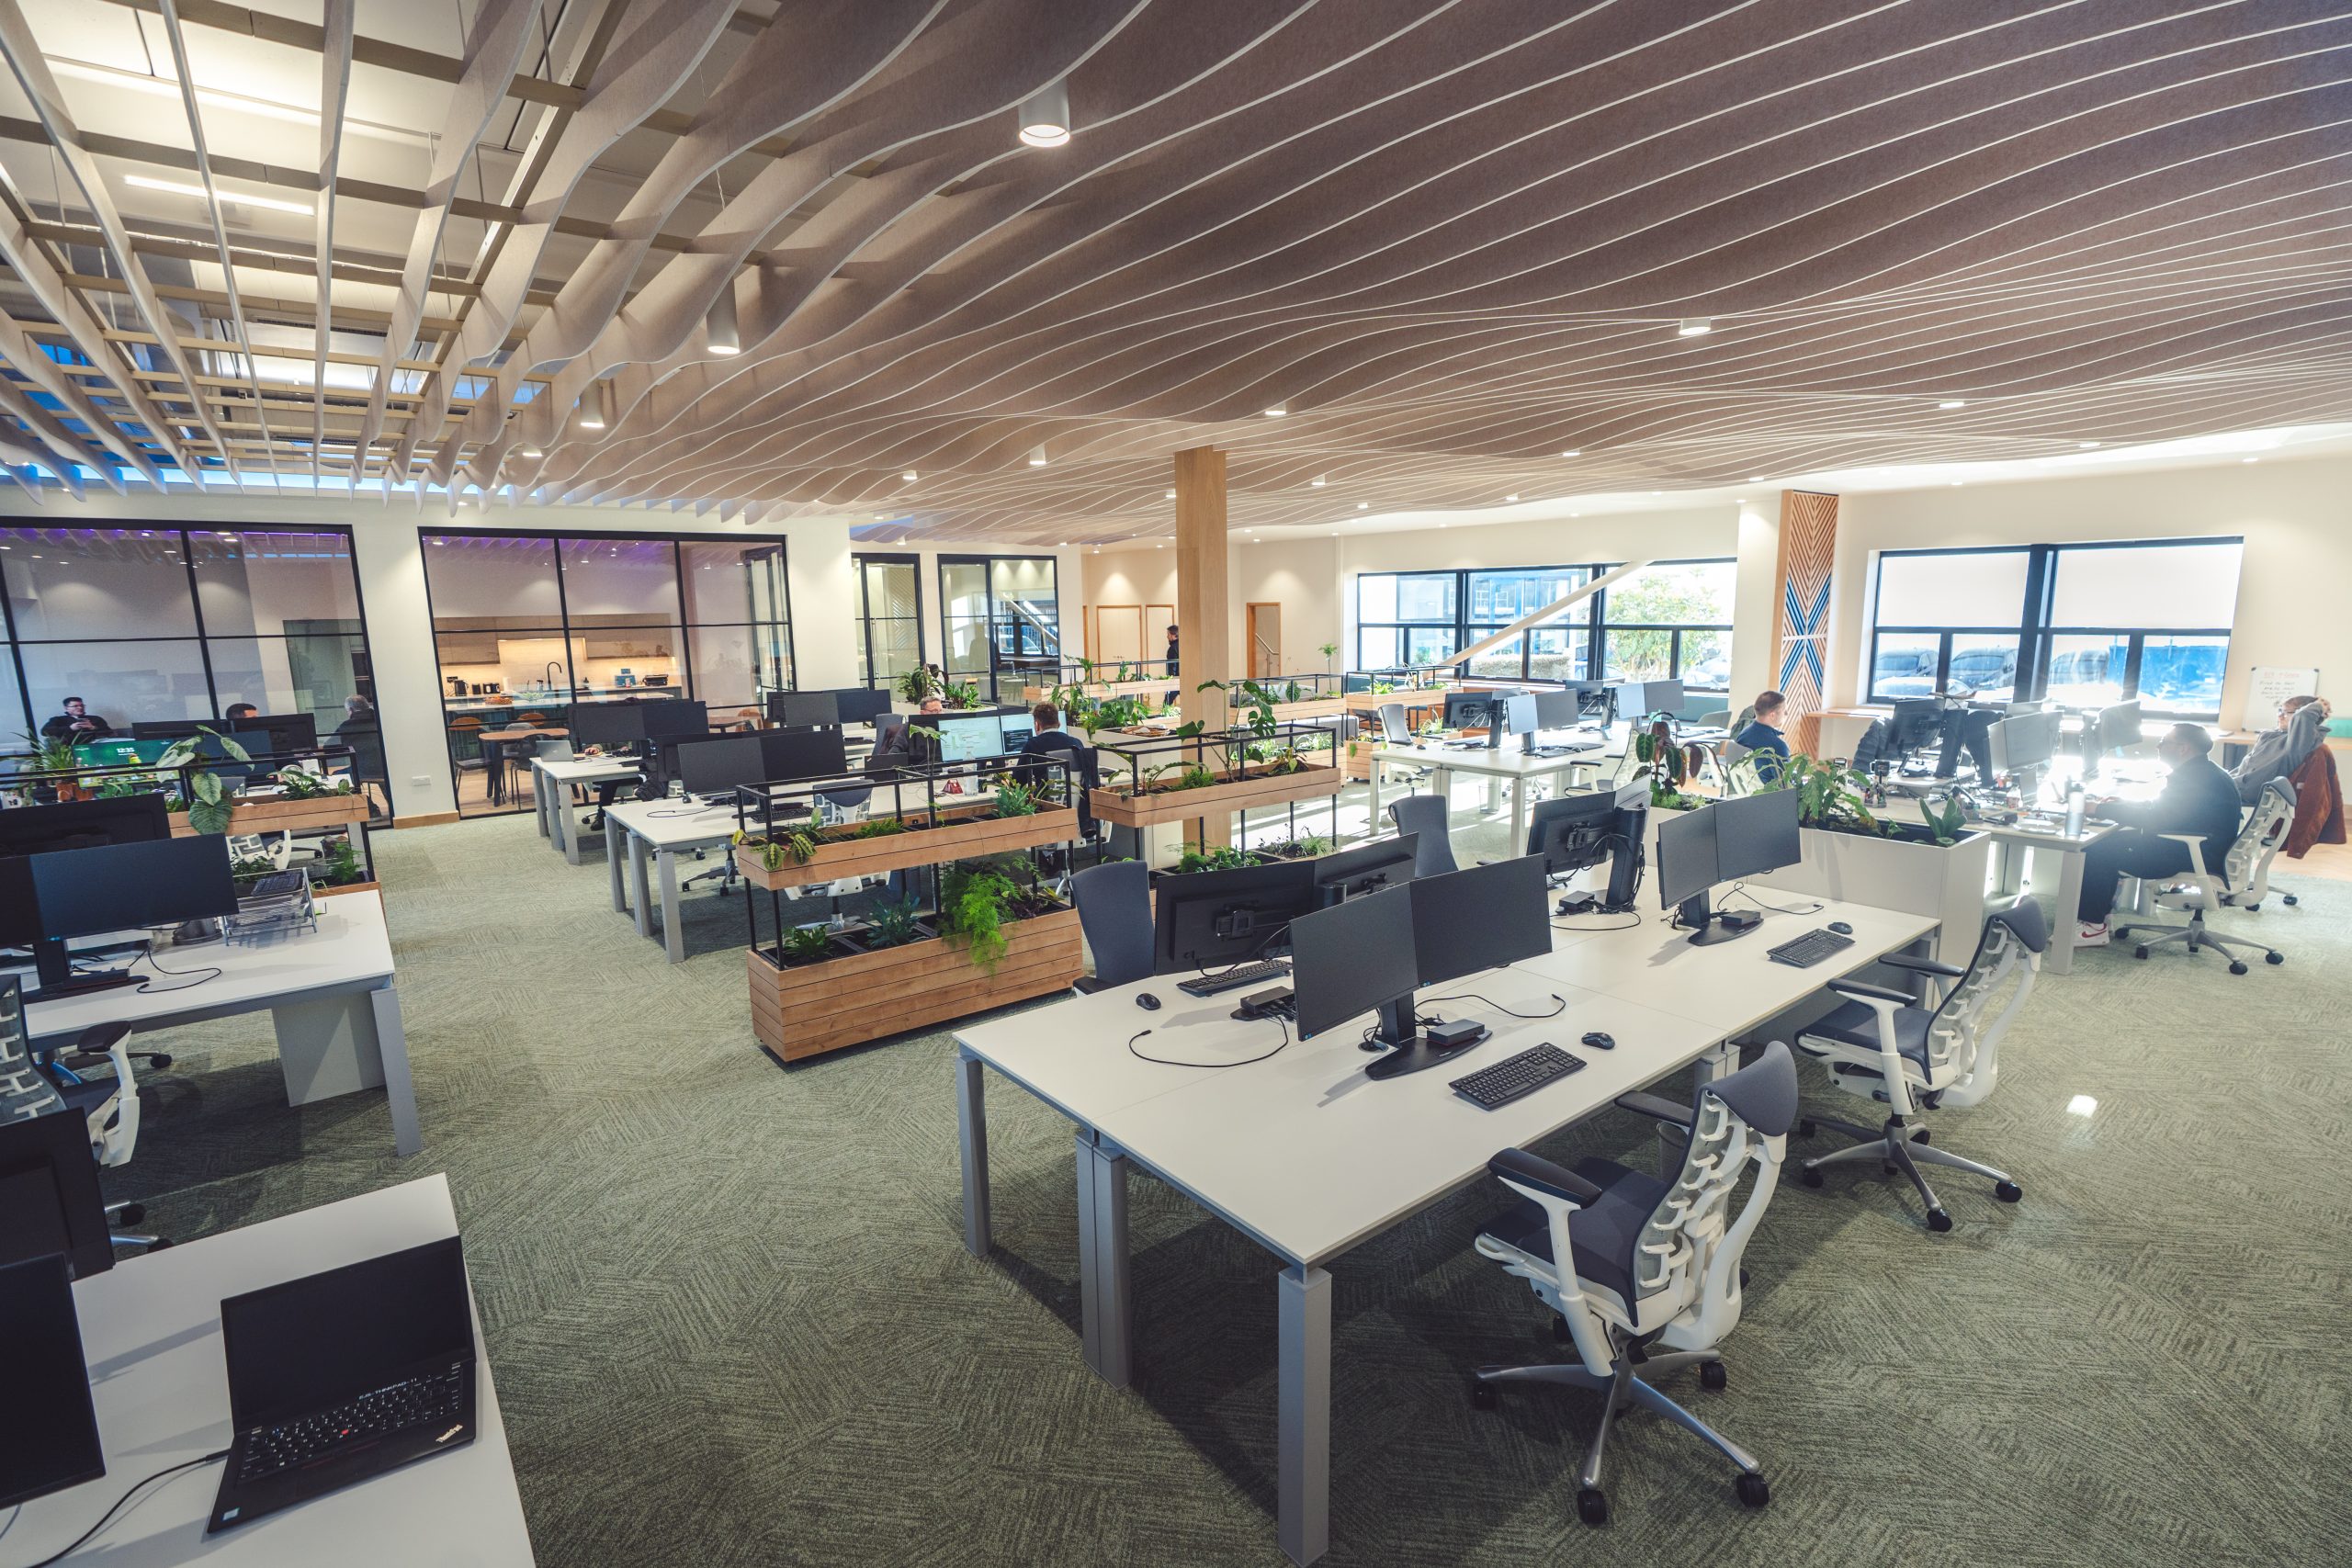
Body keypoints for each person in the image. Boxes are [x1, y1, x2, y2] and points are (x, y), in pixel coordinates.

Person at [2075, 723, 2243, 947]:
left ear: (2183, 748)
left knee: (2095, 850)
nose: (2158, 746)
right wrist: (2120, 805)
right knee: (2106, 842)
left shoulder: (2192, 778)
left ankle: (2093, 927)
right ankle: (2100, 917)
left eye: (2164, 742)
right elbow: (2164, 809)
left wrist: (2098, 809)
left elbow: (2155, 818)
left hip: (2189, 853)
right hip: (2200, 847)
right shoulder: (2202, 771)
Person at [1018, 701, 1099, 839]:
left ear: (1037, 725)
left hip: (1048, 811)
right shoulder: (1076, 743)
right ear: (1059, 723)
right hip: (1079, 815)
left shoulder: (1032, 745)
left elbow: (1017, 781)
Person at [2230, 694, 2328, 805]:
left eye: (2286, 713)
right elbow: (2246, 768)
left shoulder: (2298, 742)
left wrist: (2319, 705)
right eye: (2280, 711)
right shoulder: (2271, 735)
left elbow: (2303, 716)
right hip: (2235, 784)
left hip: (2246, 794)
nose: (2280, 716)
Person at [1732, 690, 1791, 782]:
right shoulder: (1777, 746)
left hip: (1748, 788)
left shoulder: (1744, 734)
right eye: (1784, 710)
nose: (1787, 713)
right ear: (1773, 715)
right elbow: (1786, 785)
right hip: (1769, 790)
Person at [40, 695, 113, 742]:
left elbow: (110, 732)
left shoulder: (95, 718)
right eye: (75, 706)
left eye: (81, 705)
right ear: (66, 708)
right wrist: (70, 728)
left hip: (96, 745)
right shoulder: (58, 720)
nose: (80, 708)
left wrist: (93, 727)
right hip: (70, 748)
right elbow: (44, 731)